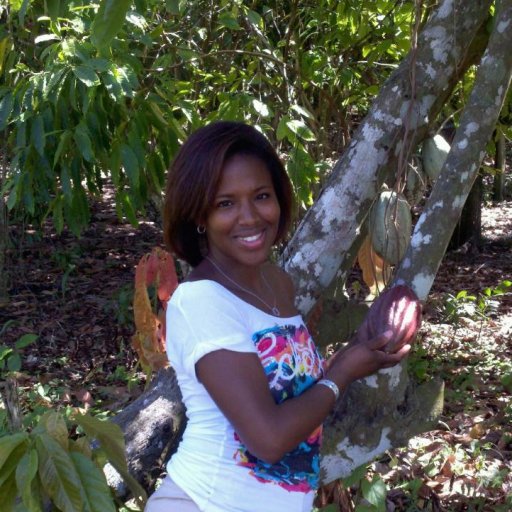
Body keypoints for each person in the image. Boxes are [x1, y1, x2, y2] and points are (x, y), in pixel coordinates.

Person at [145, 121, 417, 512]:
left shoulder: (276, 282)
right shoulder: (201, 301)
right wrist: (343, 372)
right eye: (225, 203)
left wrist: (358, 350)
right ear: (199, 216)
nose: (250, 217)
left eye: (261, 196)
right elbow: (268, 439)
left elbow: (291, 392)